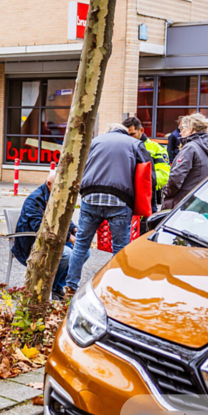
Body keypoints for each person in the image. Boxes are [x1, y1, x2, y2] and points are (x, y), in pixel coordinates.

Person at [64, 123, 152, 292]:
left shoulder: (94, 142)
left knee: (81, 244)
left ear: (108, 132)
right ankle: (117, 288)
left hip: (90, 197)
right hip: (120, 199)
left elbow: (79, 166)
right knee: (120, 247)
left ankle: (71, 285)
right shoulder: (134, 143)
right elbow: (147, 173)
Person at [11, 170, 80, 298]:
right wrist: (68, 237)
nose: (62, 188)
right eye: (59, 185)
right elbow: (39, 228)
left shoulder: (57, 196)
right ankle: (49, 288)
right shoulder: (34, 200)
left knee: (83, 252)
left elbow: (64, 218)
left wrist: (74, 229)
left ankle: (58, 286)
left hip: (53, 239)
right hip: (32, 243)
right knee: (67, 254)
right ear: (49, 184)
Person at [163, 113, 208, 209]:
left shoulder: (191, 147)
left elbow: (176, 177)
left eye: (182, 128)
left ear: (191, 129)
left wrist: (166, 192)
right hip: (199, 199)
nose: (180, 133)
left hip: (184, 202)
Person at [122, 116, 169, 207]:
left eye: (132, 134)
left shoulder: (156, 148)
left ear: (141, 130)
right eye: (126, 135)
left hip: (147, 197)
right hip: (125, 196)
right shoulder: (122, 147)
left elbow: (163, 175)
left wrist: (141, 182)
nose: (129, 138)